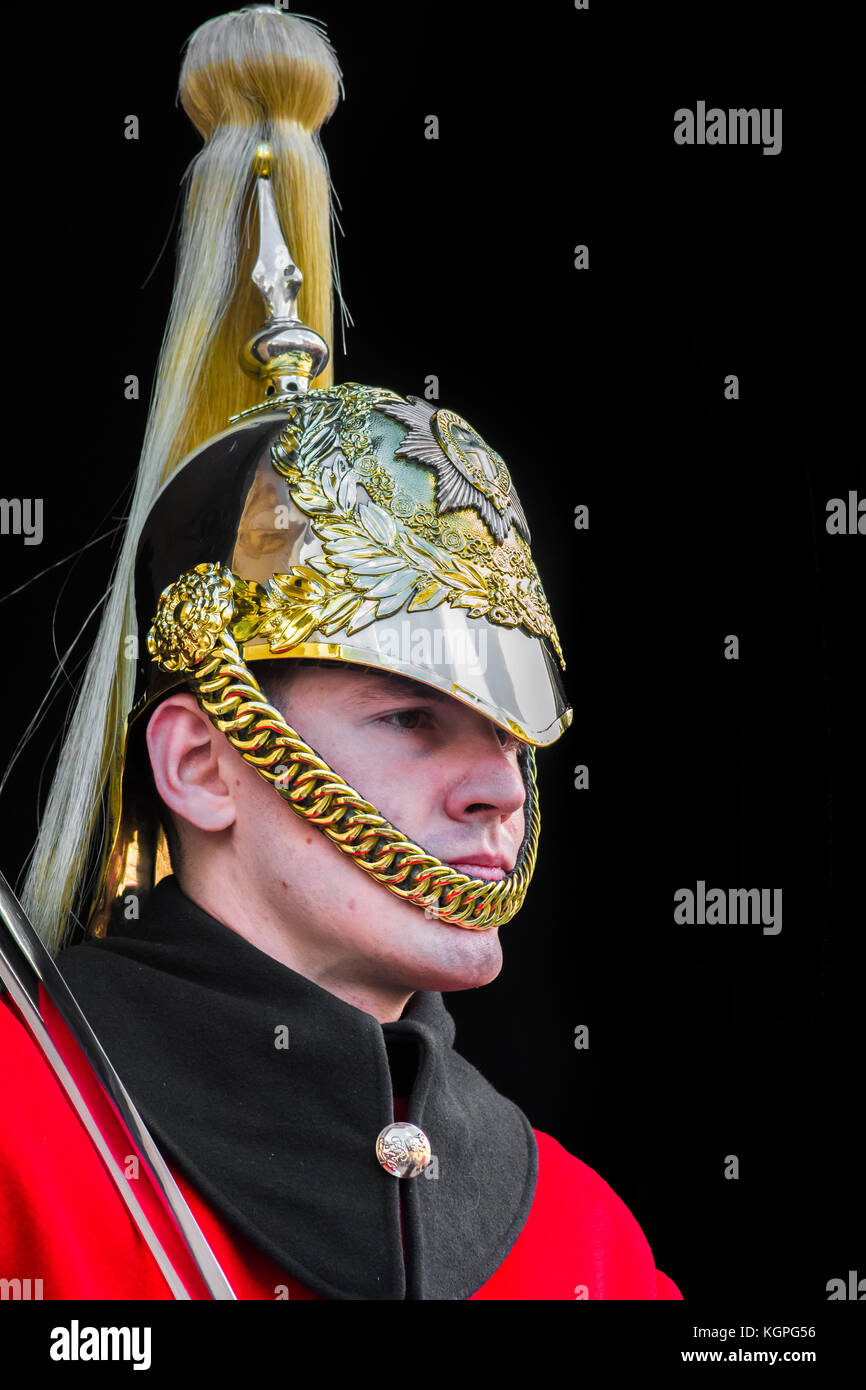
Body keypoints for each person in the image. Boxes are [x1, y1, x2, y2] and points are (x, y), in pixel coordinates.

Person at [0, 4, 681, 1301]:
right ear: (203, 760)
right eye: (413, 716)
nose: (495, 784)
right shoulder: (17, 1137)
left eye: (506, 726)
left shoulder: (585, 1241)